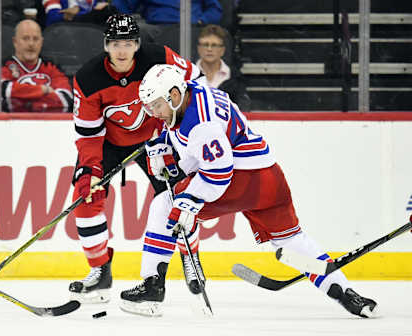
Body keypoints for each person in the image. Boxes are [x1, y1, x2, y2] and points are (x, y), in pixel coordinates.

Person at [119, 64, 378, 318]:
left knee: (164, 206)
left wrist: (188, 202)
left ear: (174, 95)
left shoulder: (201, 126)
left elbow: (218, 173)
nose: (154, 113)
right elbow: (196, 147)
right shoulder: (195, 91)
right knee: (291, 240)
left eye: (157, 105)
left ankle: (152, 287)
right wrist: (163, 142)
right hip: (268, 177)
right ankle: (348, 295)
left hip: (239, 178)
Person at [69, 13, 201, 303]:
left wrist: (186, 127)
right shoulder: (88, 78)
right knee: (85, 195)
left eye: (128, 43)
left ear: (137, 44)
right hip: (109, 144)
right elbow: (88, 134)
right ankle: (100, 269)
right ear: (106, 45)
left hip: (154, 137)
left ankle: (191, 260)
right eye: (116, 44)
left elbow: (196, 82)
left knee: (179, 196)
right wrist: (90, 170)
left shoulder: (158, 57)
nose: (122, 50)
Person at [0, 19, 73, 112]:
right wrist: (43, 90)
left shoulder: (51, 67)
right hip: (13, 125)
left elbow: (65, 99)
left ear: (41, 42)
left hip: (48, 125)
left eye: (35, 39)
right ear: (15, 42)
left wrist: (22, 101)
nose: (31, 44)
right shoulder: (3, 67)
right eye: (25, 38)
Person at [196, 24, 251, 111]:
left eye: (214, 45)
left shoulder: (235, 77)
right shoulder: (189, 75)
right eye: (205, 44)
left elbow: (243, 107)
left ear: (222, 50)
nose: (209, 49)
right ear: (199, 48)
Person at [112, 0, 222, 25]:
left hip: (191, 28)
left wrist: (201, 21)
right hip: (156, 27)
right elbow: (124, 5)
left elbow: (215, 9)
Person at [42, 0, 117, 26]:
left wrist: (76, 12)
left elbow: (101, 10)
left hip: (90, 37)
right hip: (63, 37)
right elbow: (53, 18)